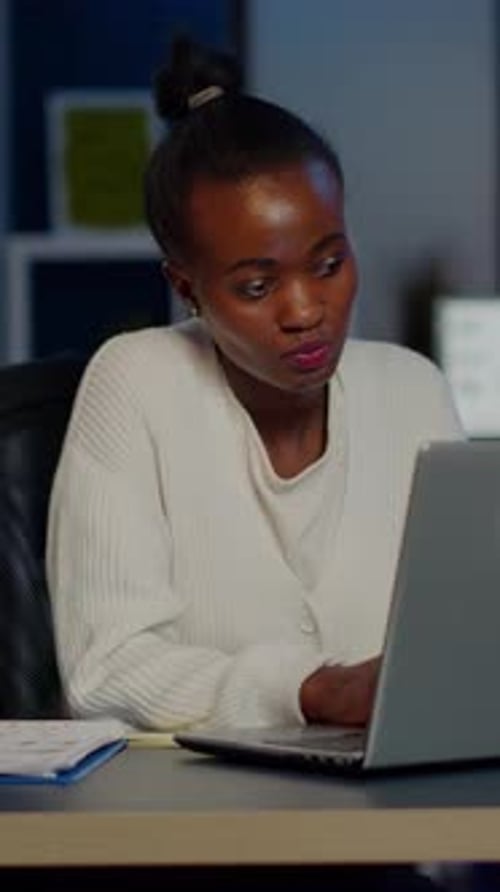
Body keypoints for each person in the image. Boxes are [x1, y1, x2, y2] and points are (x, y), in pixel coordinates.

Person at [46, 37, 463, 736]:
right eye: (257, 286)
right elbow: (107, 673)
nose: (305, 311)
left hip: (399, 813)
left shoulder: (412, 389)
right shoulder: (136, 381)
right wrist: (309, 691)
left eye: (329, 265)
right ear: (187, 288)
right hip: (194, 822)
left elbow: (464, 645)